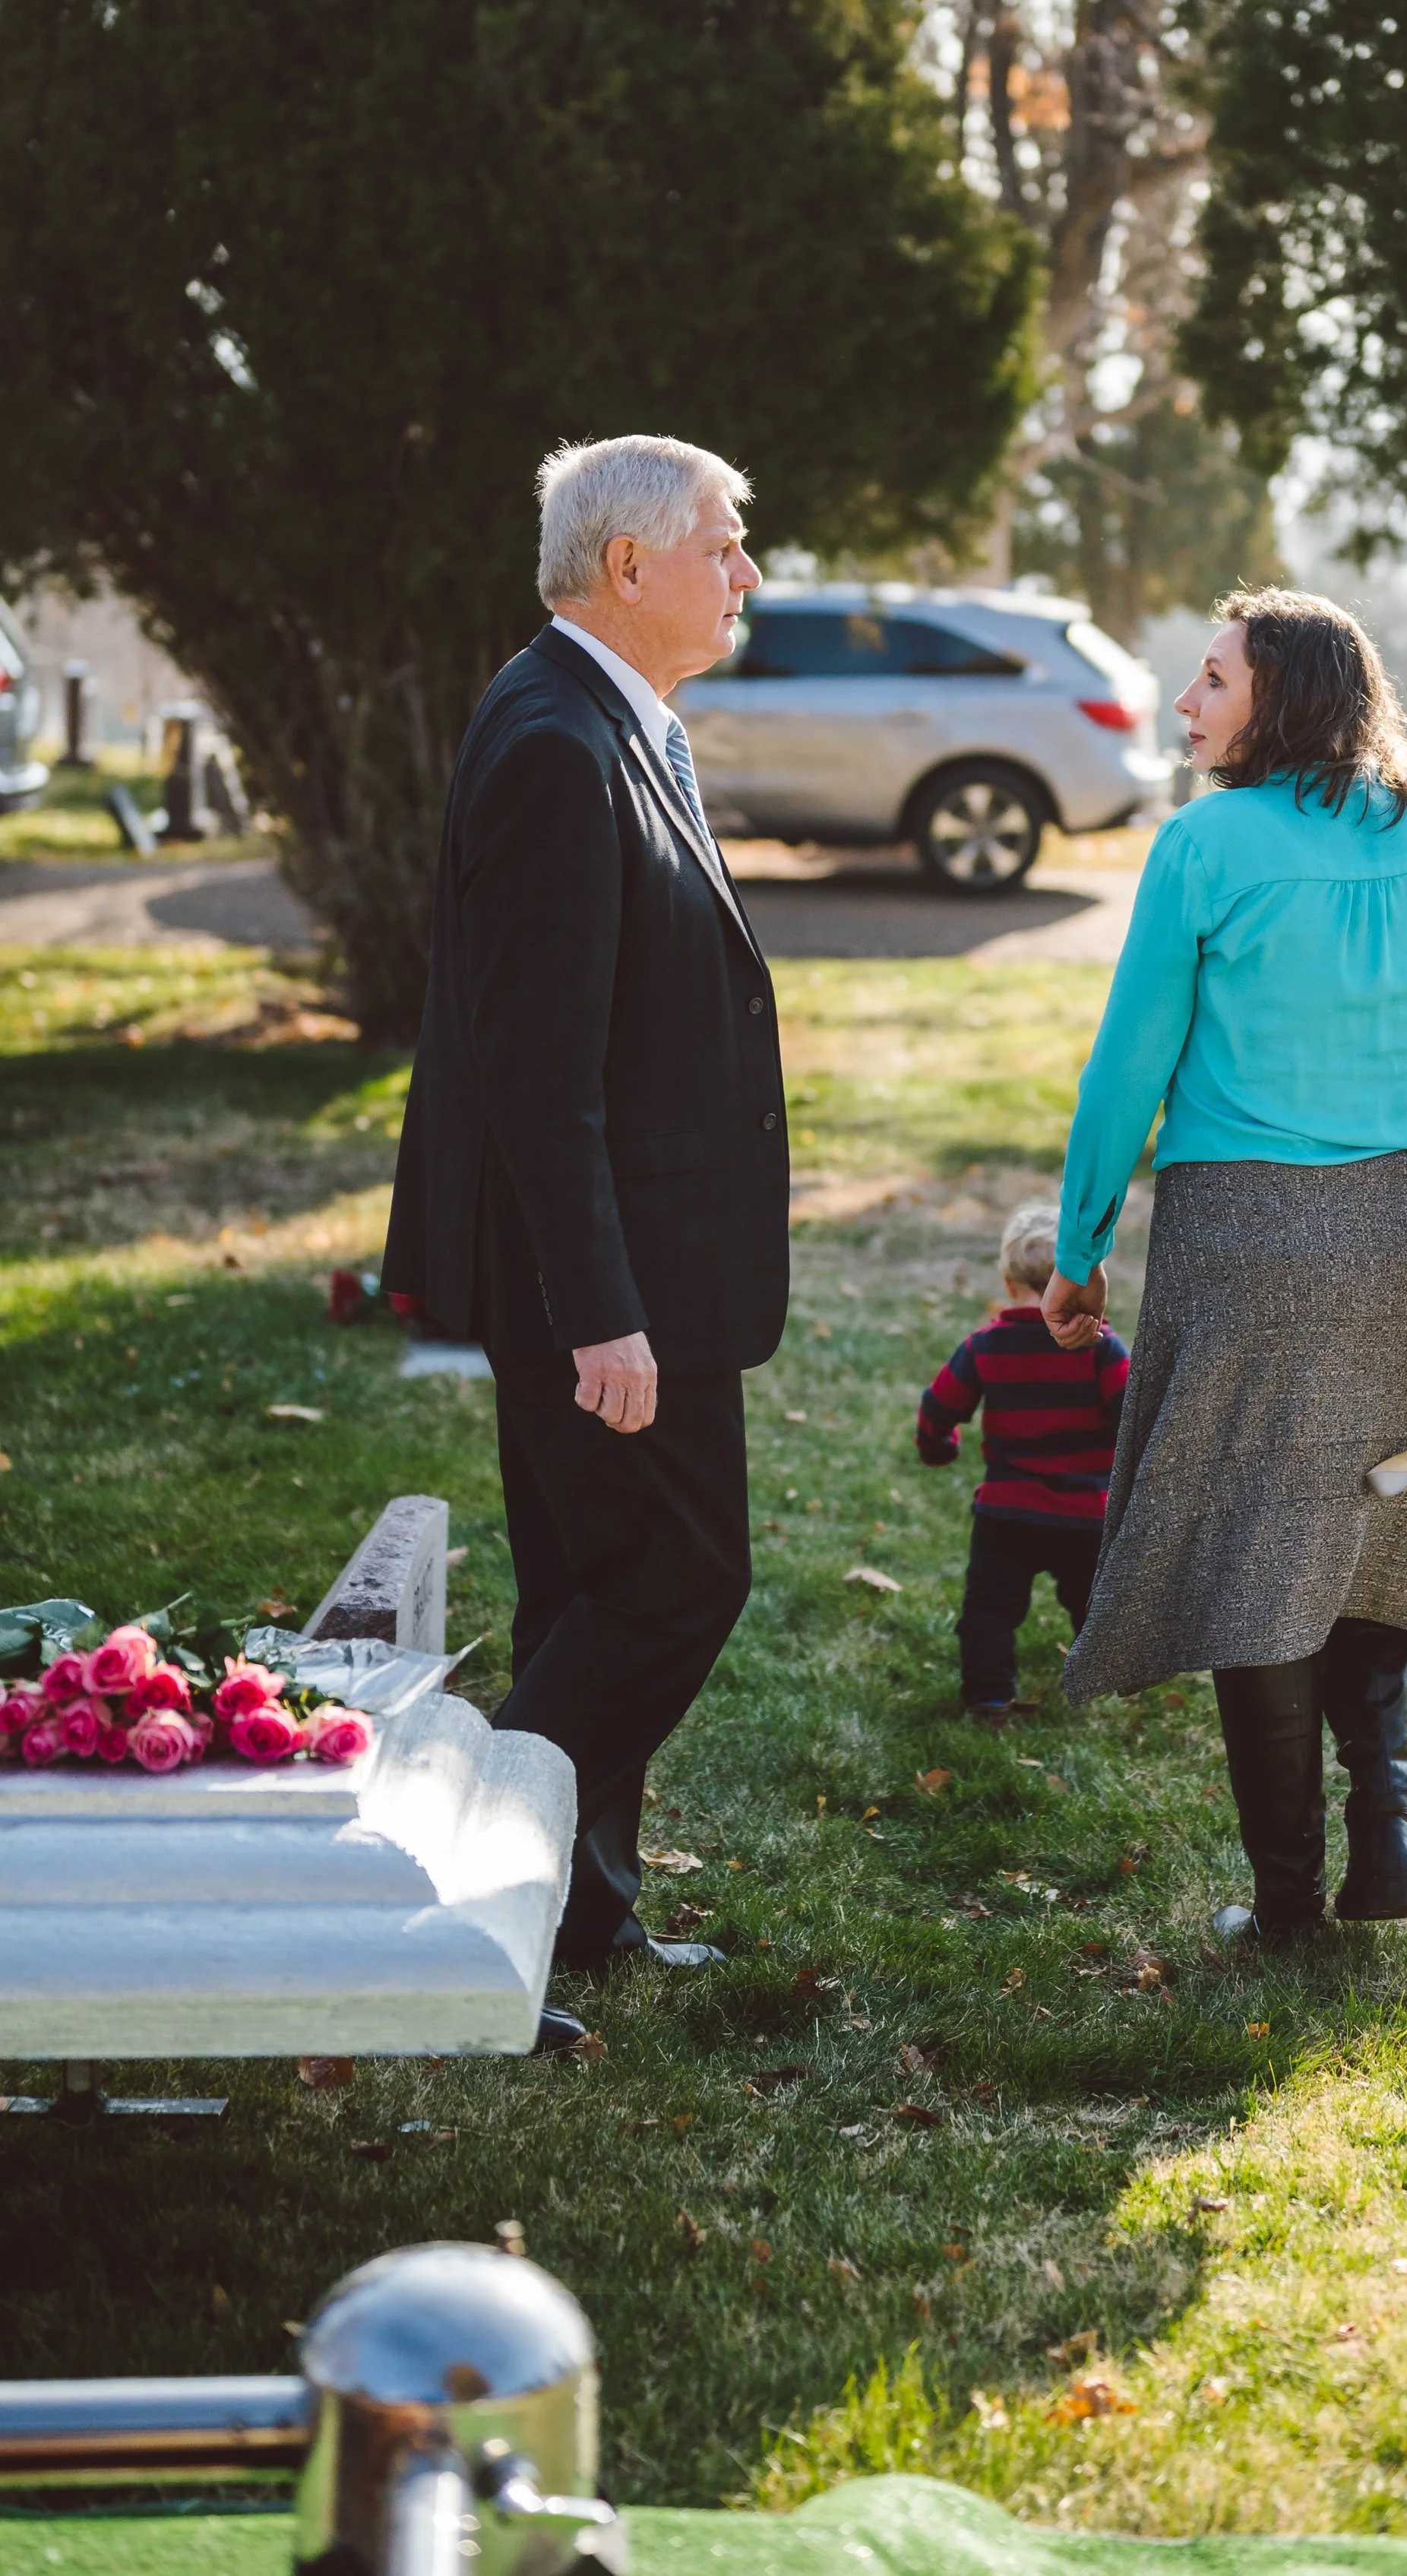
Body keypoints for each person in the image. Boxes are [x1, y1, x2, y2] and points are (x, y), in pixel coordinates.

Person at [1042, 590, 1407, 1942]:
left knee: (1259, 1549)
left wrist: (1079, 1247)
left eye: (1211, 680)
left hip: (1245, 1240)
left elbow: (1128, 1062)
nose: (1188, 703)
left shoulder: (1204, 846)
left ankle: (1284, 1904)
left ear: (1286, 698)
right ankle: (1390, 1839)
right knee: (1373, 1519)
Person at [384, 435, 785, 2035]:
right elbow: (536, 1075)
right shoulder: (557, 739)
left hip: (624, 1259)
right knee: (674, 1583)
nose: (746, 573)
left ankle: (574, 1918)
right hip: (609, 1278)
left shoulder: (607, 717)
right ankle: (451, 1902)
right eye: (726, 543)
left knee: (584, 1589)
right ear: (629, 566)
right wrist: (602, 1313)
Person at [915, 1201, 1129, 1724]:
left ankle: (988, 1697)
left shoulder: (986, 1345)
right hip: (1087, 1513)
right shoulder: (1102, 1347)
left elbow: (938, 1410)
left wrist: (939, 1447)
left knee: (989, 1611)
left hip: (1006, 1515)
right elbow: (1133, 1417)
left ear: (1010, 1285)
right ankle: (1101, 1681)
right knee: (1093, 1605)